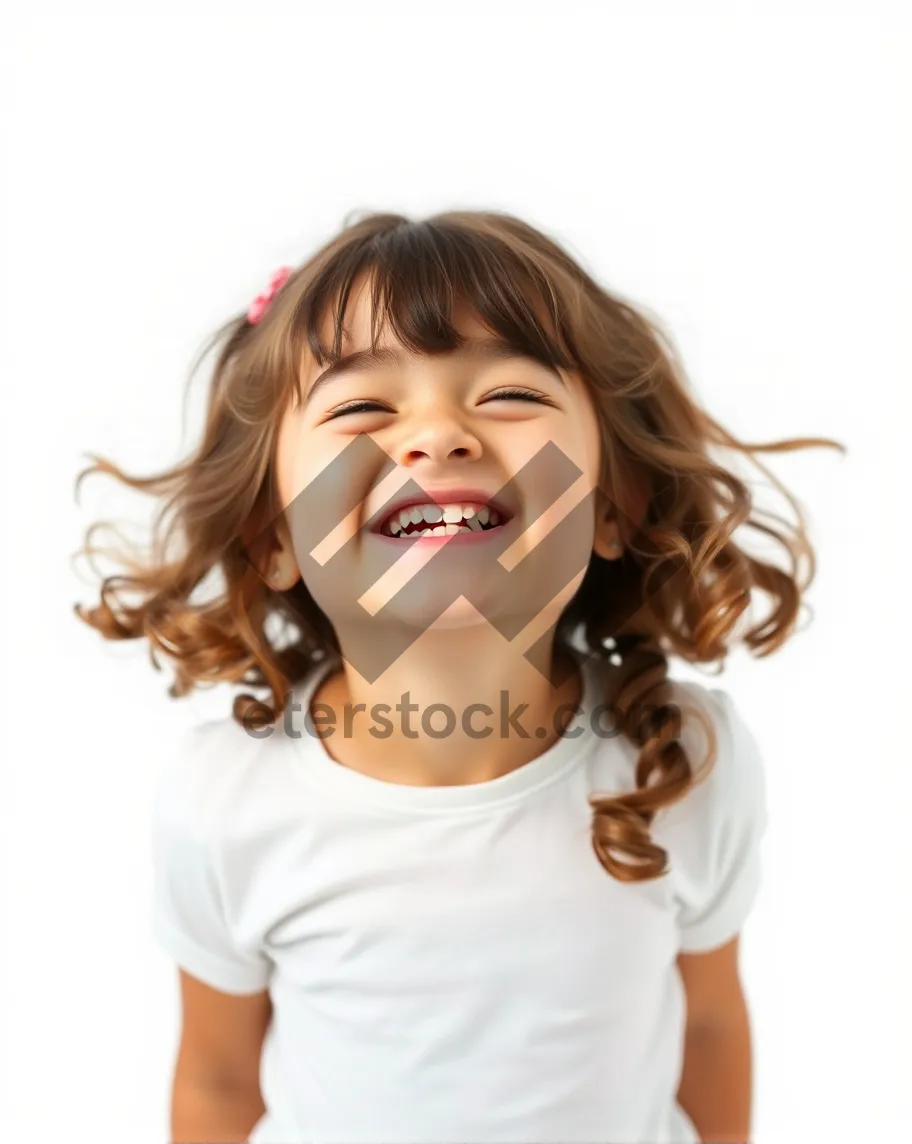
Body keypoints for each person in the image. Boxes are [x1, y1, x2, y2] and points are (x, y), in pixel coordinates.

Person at [74, 209, 843, 1144]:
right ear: (271, 536)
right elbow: (219, 1076)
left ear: (613, 504)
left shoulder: (680, 764)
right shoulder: (224, 803)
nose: (437, 435)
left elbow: (714, 1024)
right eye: (362, 409)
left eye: (510, 394)